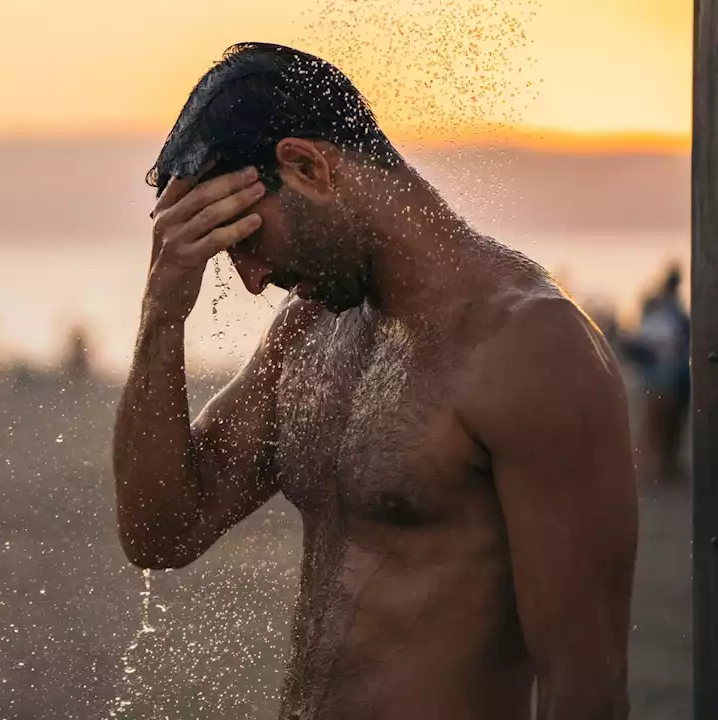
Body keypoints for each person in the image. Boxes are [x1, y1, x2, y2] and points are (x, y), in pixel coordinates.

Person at [113, 43, 636, 720]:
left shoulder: (531, 347)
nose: (248, 278)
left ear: (307, 166)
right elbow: (162, 533)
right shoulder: (308, 334)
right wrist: (161, 315)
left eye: (244, 238)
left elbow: (585, 687)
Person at [634, 263, 690, 482]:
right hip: (664, 378)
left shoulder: (667, 308)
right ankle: (656, 468)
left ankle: (662, 467)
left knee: (665, 425)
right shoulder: (666, 310)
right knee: (660, 425)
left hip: (667, 378)